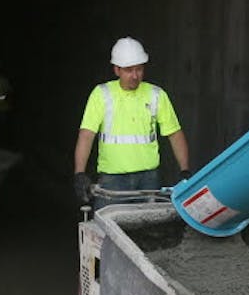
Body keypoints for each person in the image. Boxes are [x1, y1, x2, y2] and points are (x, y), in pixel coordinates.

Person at [72, 37, 190, 208]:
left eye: (139, 69)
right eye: (129, 70)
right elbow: (86, 135)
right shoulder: (101, 94)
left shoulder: (156, 95)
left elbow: (175, 134)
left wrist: (185, 171)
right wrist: (79, 173)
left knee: (151, 231)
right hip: (112, 182)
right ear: (116, 69)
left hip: (149, 180)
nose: (135, 76)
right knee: (110, 231)